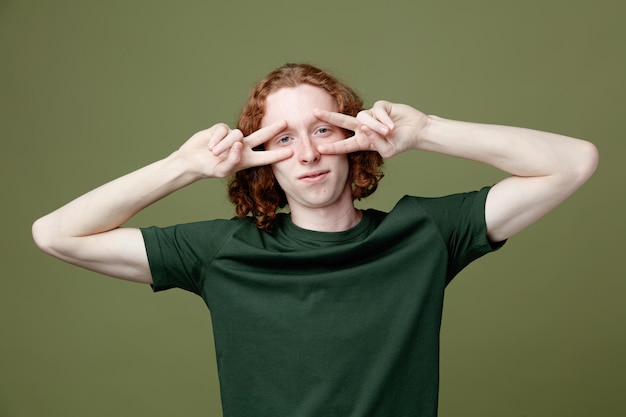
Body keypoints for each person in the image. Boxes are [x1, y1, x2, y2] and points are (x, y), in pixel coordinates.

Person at [31, 63, 598, 417]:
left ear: (355, 138)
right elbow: (56, 234)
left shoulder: (424, 234)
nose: (306, 154)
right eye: (282, 138)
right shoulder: (222, 253)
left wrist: (427, 131)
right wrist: (185, 166)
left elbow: (574, 162)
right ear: (260, 159)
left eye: (323, 130)